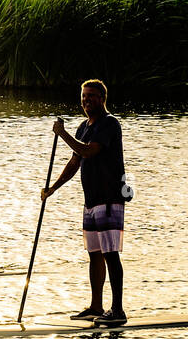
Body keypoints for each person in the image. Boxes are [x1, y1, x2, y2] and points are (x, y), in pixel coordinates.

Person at [41, 79, 129, 325]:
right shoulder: (83, 127)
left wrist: (62, 133)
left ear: (102, 99)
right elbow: (74, 162)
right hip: (90, 201)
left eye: (91, 96)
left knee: (111, 254)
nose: (86, 100)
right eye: (83, 97)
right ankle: (96, 306)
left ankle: (118, 310)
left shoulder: (109, 124)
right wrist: (52, 189)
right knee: (94, 254)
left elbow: (89, 151)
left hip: (110, 199)